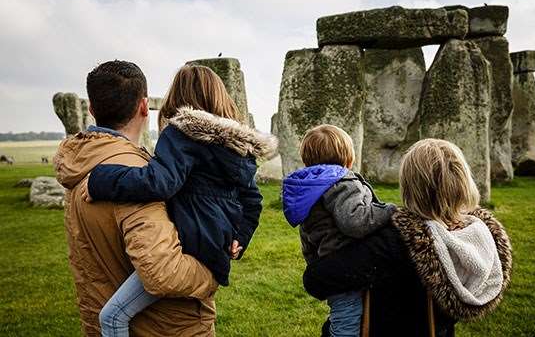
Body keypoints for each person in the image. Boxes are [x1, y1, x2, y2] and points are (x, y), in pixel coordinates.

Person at [83, 65, 278, 337]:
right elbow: (253, 200)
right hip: (215, 249)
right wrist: (241, 238)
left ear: (177, 97)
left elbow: (159, 182)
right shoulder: (237, 147)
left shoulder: (182, 133)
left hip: (188, 242)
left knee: (112, 316)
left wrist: (100, 180)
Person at [54, 60, 218, 336]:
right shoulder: (136, 177)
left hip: (101, 318)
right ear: (144, 106)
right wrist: (213, 272)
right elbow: (163, 273)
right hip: (161, 328)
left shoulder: (80, 164)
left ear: (92, 110)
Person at [302, 139, 513, 337]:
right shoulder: (479, 236)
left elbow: (317, 278)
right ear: (463, 180)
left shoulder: (396, 240)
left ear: (411, 185)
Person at [282, 124, 396, 336]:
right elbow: (355, 221)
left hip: (329, 264)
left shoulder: (310, 189)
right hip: (349, 262)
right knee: (348, 324)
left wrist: (316, 264)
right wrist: (388, 210)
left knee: (344, 314)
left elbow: (307, 236)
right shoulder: (342, 182)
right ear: (348, 159)